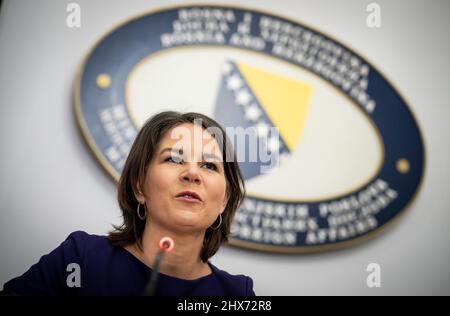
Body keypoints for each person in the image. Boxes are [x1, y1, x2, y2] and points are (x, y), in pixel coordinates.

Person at [1, 111, 254, 296]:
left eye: (209, 165)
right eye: (174, 160)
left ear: (224, 201)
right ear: (139, 186)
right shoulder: (80, 258)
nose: (192, 174)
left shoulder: (237, 294)